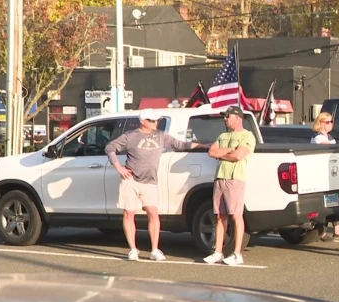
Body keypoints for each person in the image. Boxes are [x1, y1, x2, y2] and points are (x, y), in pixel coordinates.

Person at [105, 108, 206, 261]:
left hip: (150, 181)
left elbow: (179, 144)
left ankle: (154, 249)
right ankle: (133, 249)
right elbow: (110, 148)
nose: (155, 123)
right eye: (152, 120)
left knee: (153, 213)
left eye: (156, 120)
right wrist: (119, 167)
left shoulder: (160, 136)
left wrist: (204, 146)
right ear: (143, 121)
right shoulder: (130, 136)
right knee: (129, 213)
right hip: (130, 180)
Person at [203, 106, 257, 266]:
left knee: (236, 215)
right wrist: (229, 150)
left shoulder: (247, 136)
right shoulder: (223, 135)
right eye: (225, 116)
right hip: (220, 178)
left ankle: (237, 253)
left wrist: (223, 154)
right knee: (220, 216)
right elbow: (211, 152)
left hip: (235, 178)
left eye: (228, 116)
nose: (225, 119)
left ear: (238, 117)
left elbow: (238, 156)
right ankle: (218, 252)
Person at [311, 112, 339, 240]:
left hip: (330, 173)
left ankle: (336, 227)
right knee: (322, 203)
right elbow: (329, 147)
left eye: (331, 121)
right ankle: (321, 231)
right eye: (327, 122)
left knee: (333, 200)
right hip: (320, 175)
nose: (330, 124)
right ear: (321, 123)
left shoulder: (330, 137)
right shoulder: (317, 137)